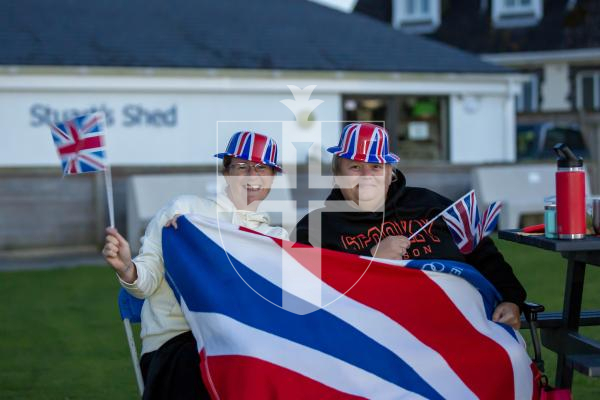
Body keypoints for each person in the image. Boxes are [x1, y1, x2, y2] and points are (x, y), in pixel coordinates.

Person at [102, 131, 288, 400]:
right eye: (241, 167)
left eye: (262, 168)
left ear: (272, 177)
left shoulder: (274, 238)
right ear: (226, 172)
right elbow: (147, 280)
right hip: (178, 345)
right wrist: (126, 267)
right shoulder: (186, 211)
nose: (252, 176)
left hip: (242, 347)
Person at [293, 122, 526, 329]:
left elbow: (483, 252)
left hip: (458, 327)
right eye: (354, 167)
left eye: (376, 167)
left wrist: (511, 299)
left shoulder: (430, 205)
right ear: (336, 173)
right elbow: (304, 297)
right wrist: (369, 259)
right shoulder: (315, 228)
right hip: (378, 342)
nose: (366, 176)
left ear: (390, 172)